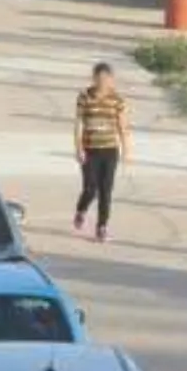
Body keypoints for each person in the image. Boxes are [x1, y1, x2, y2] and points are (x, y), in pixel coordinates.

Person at [73, 62, 131, 243]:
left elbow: (122, 125)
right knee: (90, 189)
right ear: (94, 78)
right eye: (99, 79)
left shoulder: (117, 100)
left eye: (106, 79)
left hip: (109, 150)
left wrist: (126, 149)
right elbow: (79, 124)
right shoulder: (84, 97)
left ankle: (102, 227)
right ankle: (81, 210)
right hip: (90, 149)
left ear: (111, 80)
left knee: (106, 191)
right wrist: (78, 148)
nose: (102, 82)